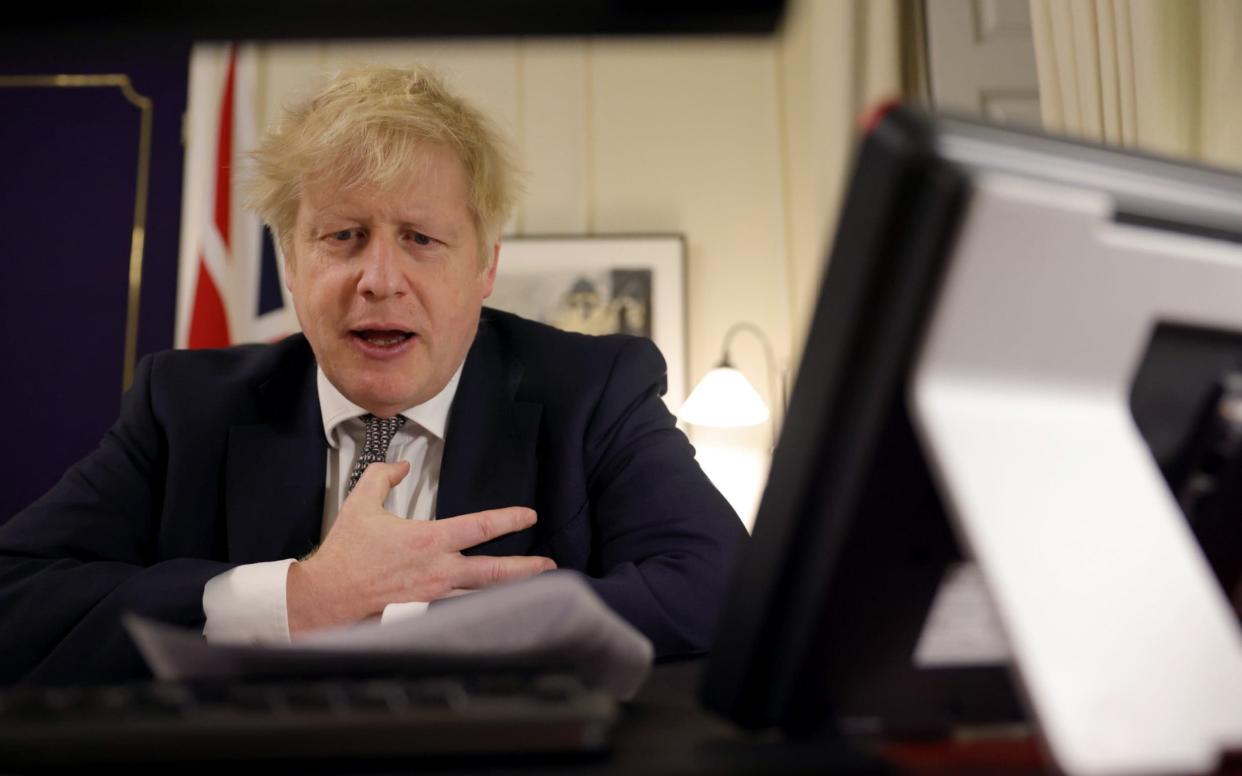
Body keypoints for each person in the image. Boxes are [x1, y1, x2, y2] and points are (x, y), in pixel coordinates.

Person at [0, 65, 745, 685]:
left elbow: (723, 592)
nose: (379, 279)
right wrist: (297, 600)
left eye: (421, 238)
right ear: (291, 261)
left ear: (484, 264)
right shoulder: (183, 406)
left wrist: (409, 622)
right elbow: (16, 597)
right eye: (343, 236)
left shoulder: (595, 389)